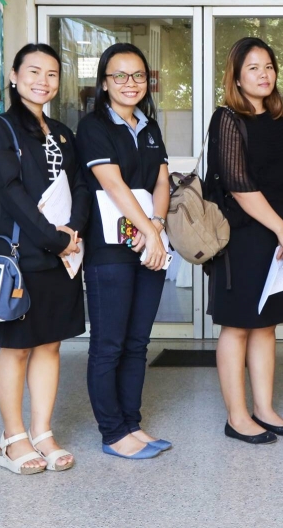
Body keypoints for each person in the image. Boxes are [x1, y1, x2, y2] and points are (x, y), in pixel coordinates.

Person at [0, 43, 89, 474]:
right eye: (34, 71)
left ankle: (42, 432)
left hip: (63, 254)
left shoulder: (62, 132)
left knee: (50, 344)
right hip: (20, 255)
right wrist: (54, 239)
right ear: (14, 75)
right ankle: (12, 438)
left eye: (52, 74)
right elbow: (11, 192)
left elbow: (80, 185)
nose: (43, 81)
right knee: (17, 348)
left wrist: (73, 231)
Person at [205, 37, 283, 446]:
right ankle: (237, 416)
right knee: (238, 326)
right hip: (241, 238)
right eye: (253, 68)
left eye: (268, 66)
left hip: (280, 239)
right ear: (236, 77)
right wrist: (281, 228)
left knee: (266, 326)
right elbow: (239, 185)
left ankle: (264, 408)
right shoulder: (227, 119)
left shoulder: (282, 120)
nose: (264, 74)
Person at [76, 42, 171, 460]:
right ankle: (112, 432)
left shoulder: (149, 127)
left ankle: (132, 423)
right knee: (109, 344)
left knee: (137, 343)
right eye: (119, 75)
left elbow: (162, 180)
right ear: (104, 82)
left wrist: (157, 227)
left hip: (150, 245)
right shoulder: (92, 127)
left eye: (138, 76)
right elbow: (112, 184)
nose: (130, 83)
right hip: (109, 250)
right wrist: (150, 231)